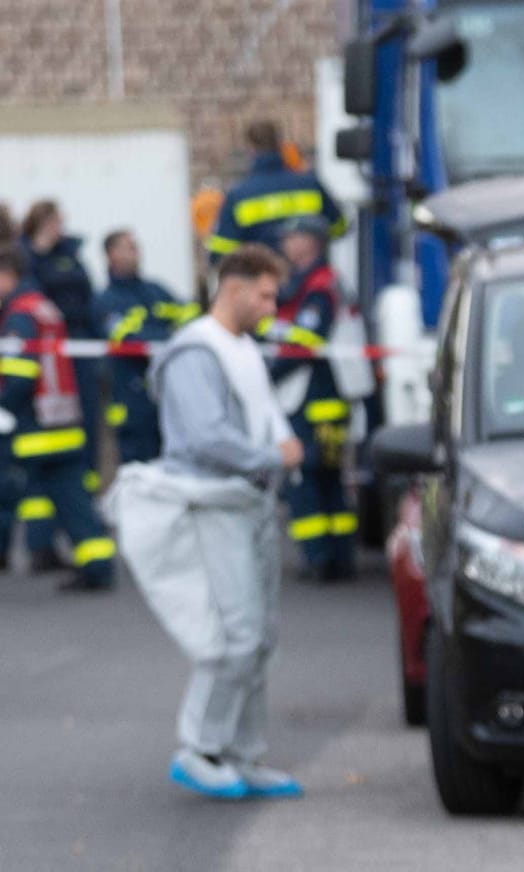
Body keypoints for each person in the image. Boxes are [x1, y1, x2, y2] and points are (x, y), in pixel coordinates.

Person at [140, 245, 306, 799]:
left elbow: (257, 416)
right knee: (237, 633)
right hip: (215, 502)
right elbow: (205, 436)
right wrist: (272, 458)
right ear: (232, 288)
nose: (270, 305)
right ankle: (200, 748)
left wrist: (277, 449)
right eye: (263, 293)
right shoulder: (196, 351)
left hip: (246, 502)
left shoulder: (239, 349)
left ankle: (243, 754)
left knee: (259, 637)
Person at [0, 244, 115, 591]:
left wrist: (3, 405)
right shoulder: (45, 307)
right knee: (72, 499)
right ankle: (97, 564)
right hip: (63, 421)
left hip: (33, 425)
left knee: (6, 490)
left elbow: (19, 372)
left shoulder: (19, 313)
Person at [268, 216, 356, 580]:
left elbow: (305, 342)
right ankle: (337, 556)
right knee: (328, 479)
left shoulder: (320, 285)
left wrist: (265, 375)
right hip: (318, 400)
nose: (286, 244)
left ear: (310, 242)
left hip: (316, 401)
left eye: (293, 238)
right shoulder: (308, 284)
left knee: (308, 477)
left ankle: (320, 557)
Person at [20, 199, 107, 560]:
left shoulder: (71, 254)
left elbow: (88, 297)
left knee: (82, 437)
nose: (60, 227)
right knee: (43, 449)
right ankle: (42, 539)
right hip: (47, 361)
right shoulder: (27, 258)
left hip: (78, 355)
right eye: (54, 221)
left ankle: (81, 515)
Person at [94, 229, 198, 466]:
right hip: (132, 403)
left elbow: (191, 319)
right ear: (112, 254)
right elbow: (125, 339)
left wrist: (164, 337)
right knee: (138, 471)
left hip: (167, 399)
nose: (137, 253)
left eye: (136, 247)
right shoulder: (106, 299)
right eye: (129, 248)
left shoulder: (156, 291)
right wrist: (169, 337)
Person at [206, 121, 346, 262]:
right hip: (309, 278)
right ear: (280, 146)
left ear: (250, 149)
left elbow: (220, 251)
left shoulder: (238, 196)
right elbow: (339, 227)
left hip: (263, 277)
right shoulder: (310, 184)